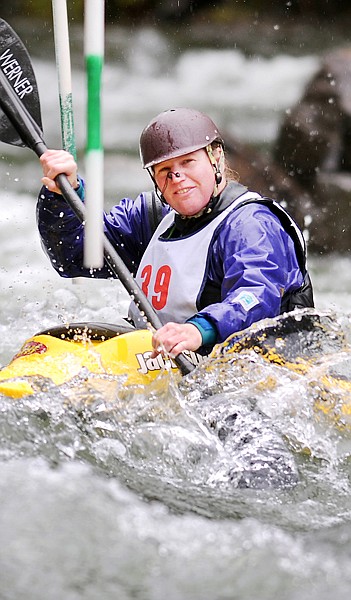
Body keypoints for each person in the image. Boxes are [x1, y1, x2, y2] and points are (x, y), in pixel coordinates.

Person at [37, 107, 314, 359]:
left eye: (188, 163)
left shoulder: (251, 225)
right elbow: (74, 255)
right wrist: (62, 193)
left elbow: (256, 296)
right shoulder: (150, 217)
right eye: (165, 170)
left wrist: (199, 330)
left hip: (251, 372)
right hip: (158, 356)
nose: (177, 178)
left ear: (215, 157)